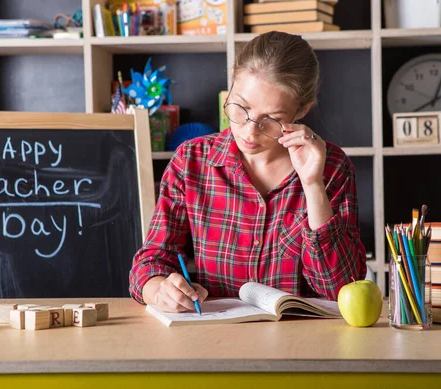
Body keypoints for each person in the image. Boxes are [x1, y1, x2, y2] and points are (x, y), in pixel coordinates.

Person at [129, 31, 366, 313]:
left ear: (302, 110)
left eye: (272, 119)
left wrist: (312, 184)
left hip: (302, 343)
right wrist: (159, 288)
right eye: (241, 107)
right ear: (231, 83)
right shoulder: (191, 161)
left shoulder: (333, 167)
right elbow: (151, 262)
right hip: (214, 338)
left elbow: (342, 287)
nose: (249, 131)